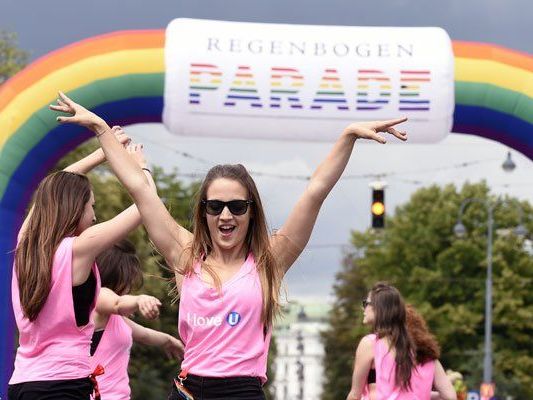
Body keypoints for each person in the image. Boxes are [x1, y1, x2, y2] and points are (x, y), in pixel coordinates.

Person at [51, 91, 408, 399]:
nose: (226, 215)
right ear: (203, 211)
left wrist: (346, 137)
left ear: (251, 212)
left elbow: (315, 192)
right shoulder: (185, 253)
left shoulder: (270, 259)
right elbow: (140, 190)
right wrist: (101, 130)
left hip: (242, 390)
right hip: (190, 390)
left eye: (237, 206)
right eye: (215, 206)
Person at [8, 130, 155, 400]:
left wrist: (102, 154)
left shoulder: (25, 246)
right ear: (76, 209)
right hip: (62, 384)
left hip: (22, 384)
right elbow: (146, 205)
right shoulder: (79, 249)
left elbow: (50, 191)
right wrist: (141, 167)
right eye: (92, 207)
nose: (95, 216)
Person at [90, 239, 184, 400]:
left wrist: (170, 341)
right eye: (128, 279)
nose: (128, 287)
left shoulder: (115, 319)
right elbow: (118, 303)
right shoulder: (97, 298)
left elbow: (145, 335)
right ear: (115, 274)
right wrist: (140, 300)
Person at [347, 283, 457, 400]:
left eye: (366, 303)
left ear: (379, 307)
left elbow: (355, 394)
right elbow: (450, 396)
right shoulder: (424, 353)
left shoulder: (370, 344)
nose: (363, 308)